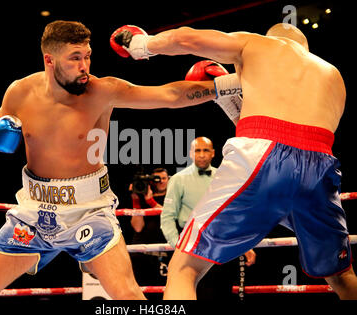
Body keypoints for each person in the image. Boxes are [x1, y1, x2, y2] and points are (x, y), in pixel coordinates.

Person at [0, 20, 242, 300]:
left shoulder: (102, 92)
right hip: (33, 215)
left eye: (87, 56)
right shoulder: (20, 92)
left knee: (128, 295)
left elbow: (169, 95)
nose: (84, 66)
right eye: (75, 58)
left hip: (90, 213)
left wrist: (226, 84)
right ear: (49, 60)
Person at [110, 23, 357, 299]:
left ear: (271, 38)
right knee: (341, 275)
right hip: (320, 168)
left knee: (185, 266)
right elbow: (292, 138)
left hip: (263, 156)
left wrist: (141, 45)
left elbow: (186, 39)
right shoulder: (333, 76)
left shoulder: (259, 45)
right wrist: (227, 97)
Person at [161, 136, 255, 299]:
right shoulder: (178, 179)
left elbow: (233, 216)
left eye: (205, 150)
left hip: (222, 243)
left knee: (221, 294)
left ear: (213, 153)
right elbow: (167, 217)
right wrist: (178, 245)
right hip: (192, 242)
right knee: (193, 291)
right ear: (191, 153)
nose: (202, 155)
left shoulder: (223, 177)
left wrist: (244, 245)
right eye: (198, 150)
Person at [129, 168, 170, 287]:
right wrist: (136, 201)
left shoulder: (173, 197)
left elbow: (170, 216)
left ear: (169, 179)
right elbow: (137, 227)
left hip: (166, 253)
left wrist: (151, 202)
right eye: (157, 179)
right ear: (151, 181)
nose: (161, 181)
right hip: (143, 254)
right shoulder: (141, 198)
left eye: (164, 178)